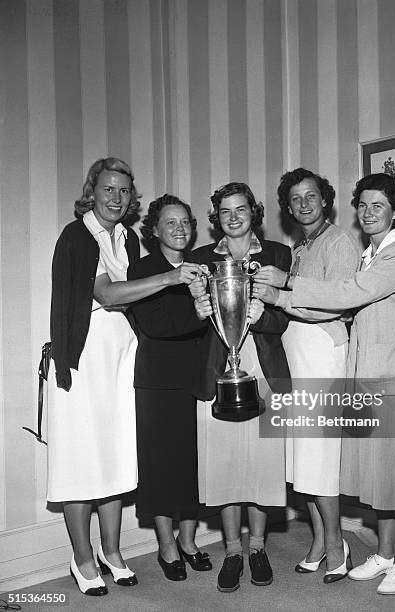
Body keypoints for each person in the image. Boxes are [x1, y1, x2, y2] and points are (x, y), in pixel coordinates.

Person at [255, 173, 395, 596]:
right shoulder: (370, 256)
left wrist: (284, 287)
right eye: (364, 205)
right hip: (367, 374)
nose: (369, 213)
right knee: (382, 474)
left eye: (379, 206)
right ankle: (386, 553)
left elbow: (349, 292)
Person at [47, 158, 203, 596]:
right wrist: (171, 276)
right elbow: (108, 294)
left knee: (115, 455)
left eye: (123, 192)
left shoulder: (130, 239)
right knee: (81, 460)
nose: (116, 198)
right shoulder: (77, 236)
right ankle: (82, 558)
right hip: (82, 356)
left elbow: (146, 307)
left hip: (122, 357)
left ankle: (112, 551)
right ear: (91, 192)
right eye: (108, 190)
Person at [253, 168, 360, 584]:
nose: (303, 204)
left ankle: (336, 544)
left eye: (310, 196)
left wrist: (280, 291)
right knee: (302, 458)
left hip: (323, 353)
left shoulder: (338, 242)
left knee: (319, 458)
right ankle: (318, 540)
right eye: (295, 198)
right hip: (297, 353)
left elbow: (335, 304)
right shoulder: (302, 246)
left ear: (325, 199)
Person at [190, 182, 291, 593]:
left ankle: (259, 548)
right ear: (216, 217)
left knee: (263, 461)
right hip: (219, 369)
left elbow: (284, 319)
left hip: (262, 367)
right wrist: (197, 312)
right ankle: (232, 550)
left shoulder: (278, 255)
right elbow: (189, 322)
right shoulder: (199, 261)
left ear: (254, 211)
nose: (233, 217)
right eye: (225, 211)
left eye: (241, 209)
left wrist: (263, 313)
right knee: (225, 461)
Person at [127, 195, 212, 581]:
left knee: (192, 463)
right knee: (161, 466)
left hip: (197, 377)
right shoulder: (143, 269)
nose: (179, 229)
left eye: (185, 222)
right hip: (158, 381)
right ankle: (166, 546)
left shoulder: (205, 267)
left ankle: (189, 540)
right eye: (170, 223)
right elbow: (155, 326)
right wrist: (197, 313)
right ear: (154, 231)